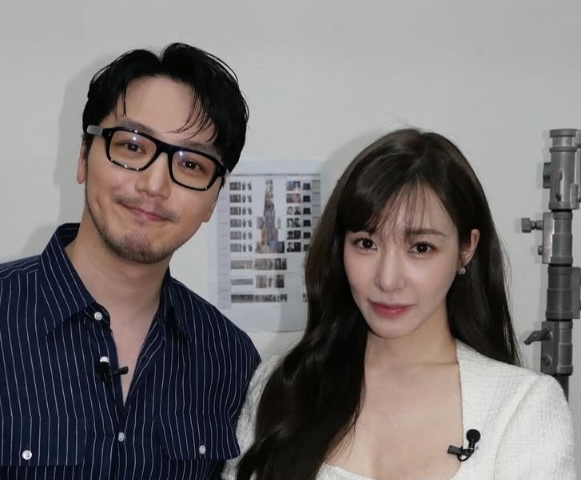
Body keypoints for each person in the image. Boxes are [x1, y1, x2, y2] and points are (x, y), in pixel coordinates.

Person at [0, 43, 260, 479]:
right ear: (82, 157)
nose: (154, 185)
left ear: (214, 198)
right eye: (132, 146)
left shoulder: (230, 359)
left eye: (191, 164)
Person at [223, 129, 575, 480]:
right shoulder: (284, 385)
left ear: (466, 249)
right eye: (366, 243)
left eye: (420, 248)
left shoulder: (521, 408)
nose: (388, 280)